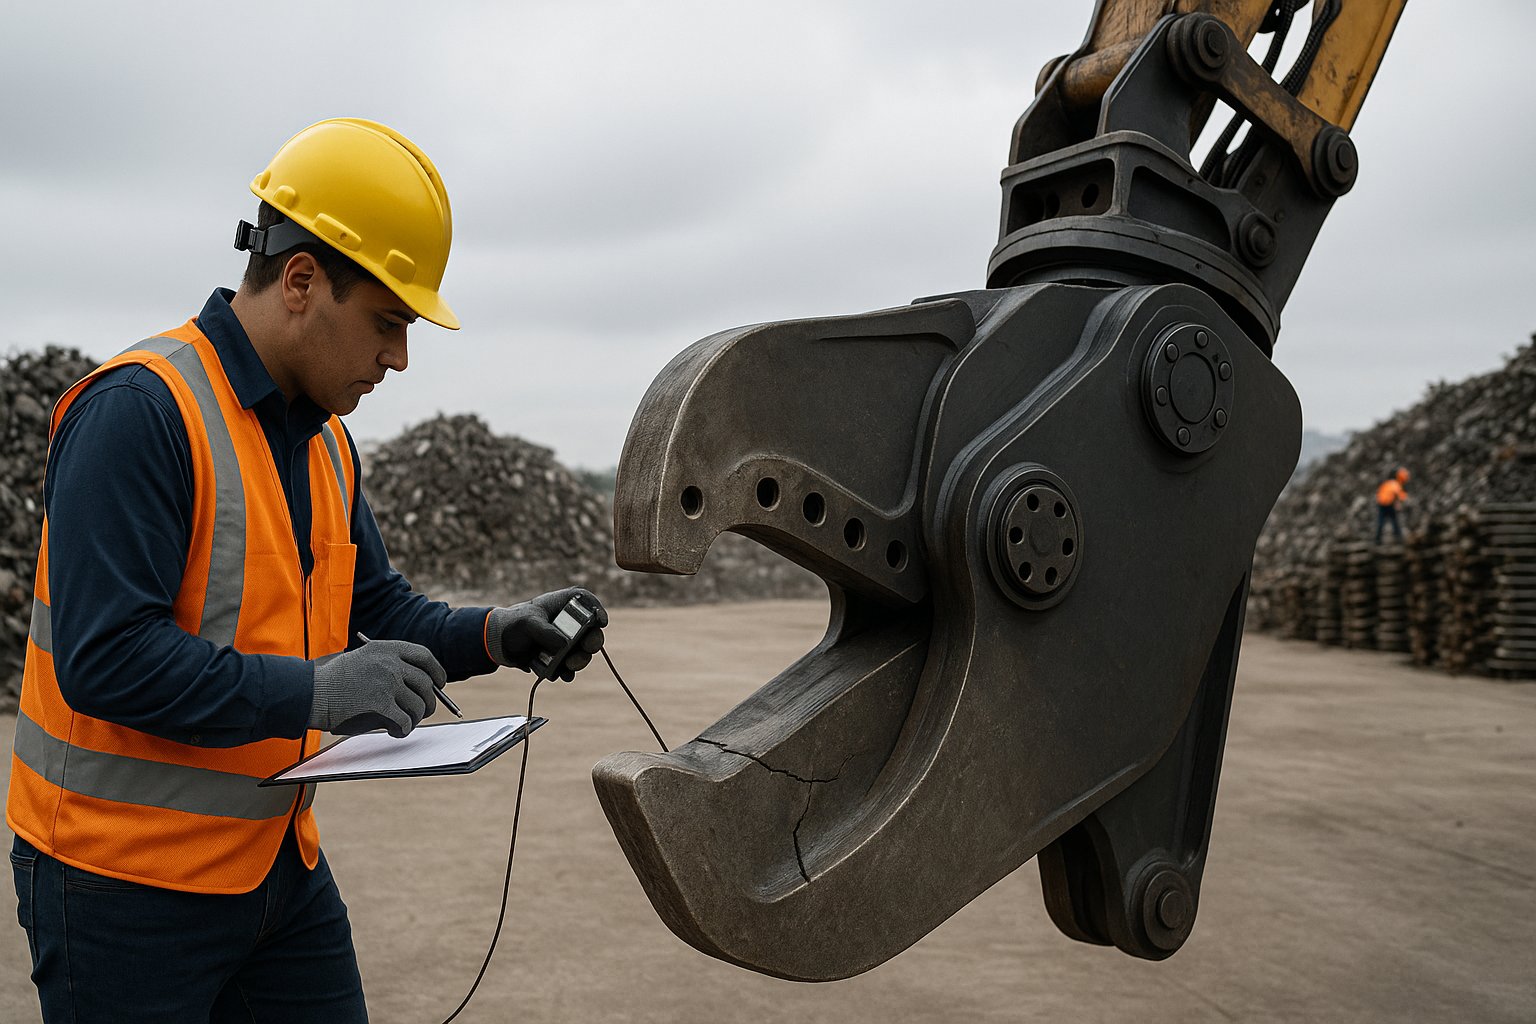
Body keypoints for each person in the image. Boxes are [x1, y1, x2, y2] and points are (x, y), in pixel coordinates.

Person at [6, 118, 608, 1023]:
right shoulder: (140, 413)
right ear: (300, 281)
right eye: (388, 322)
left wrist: (497, 633)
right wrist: (317, 694)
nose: (398, 357)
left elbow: (379, 607)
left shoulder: (326, 444)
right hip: (117, 886)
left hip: (275, 872)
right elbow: (106, 660)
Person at [1375, 467, 1410, 542]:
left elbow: (1379, 492)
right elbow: (1399, 495)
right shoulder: (1395, 484)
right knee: (1394, 519)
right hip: (1388, 503)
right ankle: (1397, 535)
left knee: (1381, 521)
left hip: (1381, 503)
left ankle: (1378, 538)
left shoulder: (1388, 483)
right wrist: (1404, 498)